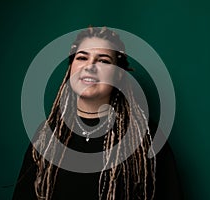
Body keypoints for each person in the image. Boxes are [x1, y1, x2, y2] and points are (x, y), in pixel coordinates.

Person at [13, 26, 183, 200]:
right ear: (71, 68)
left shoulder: (146, 137)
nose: (90, 66)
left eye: (103, 60)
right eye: (82, 57)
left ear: (119, 75)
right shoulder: (47, 136)